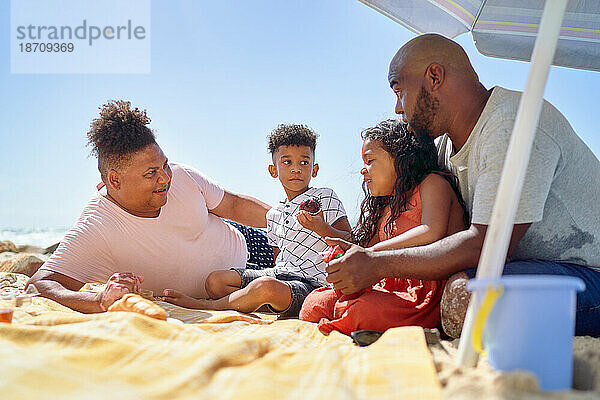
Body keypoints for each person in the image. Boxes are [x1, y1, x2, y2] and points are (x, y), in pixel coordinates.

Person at [324, 34, 600, 338]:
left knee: (463, 299)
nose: (397, 109)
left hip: (586, 274)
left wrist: (377, 263)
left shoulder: (512, 124)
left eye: (399, 90)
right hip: (520, 269)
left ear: (434, 76)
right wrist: (366, 254)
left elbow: (485, 246)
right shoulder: (444, 146)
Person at [28, 100, 274, 313]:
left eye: (164, 165)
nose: (165, 177)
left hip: (251, 245)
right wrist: (99, 299)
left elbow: (234, 206)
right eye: (151, 173)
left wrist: (287, 220)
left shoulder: (182, 176)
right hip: (224, 293)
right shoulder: (97, 228)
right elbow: (39, 285)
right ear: (115, 180)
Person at [162, 124, 353, 317]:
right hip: (279, 277)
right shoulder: (274, 214)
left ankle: (209, 306)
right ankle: (255, 303)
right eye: (287, 162)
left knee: (265, 287)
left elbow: (350, 242)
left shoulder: (325, 197)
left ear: (315, 169)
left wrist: (320, 227)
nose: (296, 169)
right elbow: (278, 259)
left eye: (304, 163)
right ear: (273, 170)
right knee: (215, 281)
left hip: (312, 284)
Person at [299, 119, 467, 335]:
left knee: (361, 312)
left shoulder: (431, 183)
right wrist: (324, 231)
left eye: (370, 160)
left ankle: (358, 319)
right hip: (389, 286)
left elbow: (431, 230)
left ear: (401, 159)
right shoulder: (386, 205)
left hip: (424, 293)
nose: (362, 170)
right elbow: (360, 247)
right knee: (313, 304)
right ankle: (357, 319)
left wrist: (372, 254)